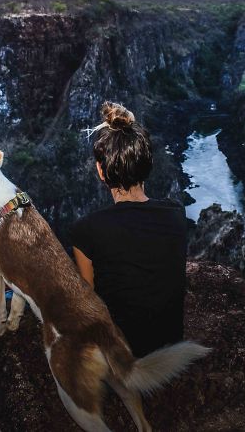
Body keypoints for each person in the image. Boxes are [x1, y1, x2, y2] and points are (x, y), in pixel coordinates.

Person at [68, 101, 188, 357]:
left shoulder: (86, 231)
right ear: (147, 165)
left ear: (101, 170)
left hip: (121, 356)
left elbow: (88, 301)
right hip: (170, 345)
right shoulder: (177, 214)